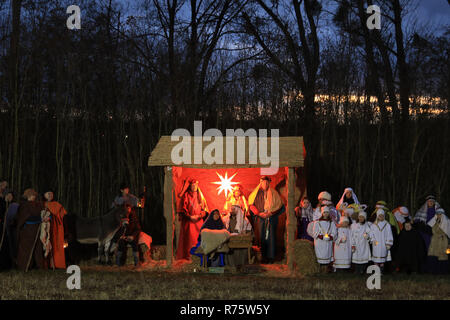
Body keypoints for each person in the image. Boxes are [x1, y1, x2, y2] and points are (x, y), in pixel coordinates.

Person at [248, 176, 285, 263]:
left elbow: (280, 206)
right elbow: (251, 205)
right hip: (260, 220)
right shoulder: (256, 194)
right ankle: (262, 257)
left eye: (267, 182)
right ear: (260, 183)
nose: (265, 184)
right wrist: (259, 213)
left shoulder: (274, 193)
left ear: (269, 183)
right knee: (261, 237)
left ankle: (271, 257)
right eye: (263, 182)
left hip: (271, 219)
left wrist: (271, 213)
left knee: (271, 237)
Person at [15, 189, 50, 271]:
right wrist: (39, 218)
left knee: (38, 248)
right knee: (26, 248)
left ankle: (39, 265)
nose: (33, 196)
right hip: (27, 230)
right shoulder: (24, 205)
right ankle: (25, 266)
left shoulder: (38, 204)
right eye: (32, 195)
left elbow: (43, 213)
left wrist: (45, 217)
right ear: (28, 196)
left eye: (34, 195)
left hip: (37, 229)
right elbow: (24, 217)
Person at [176, 178, 208, 260]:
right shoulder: (186, 195)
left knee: (199, 239)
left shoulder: (200, 195)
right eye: (193, 185)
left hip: (198, 221)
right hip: (189, 222)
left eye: (196, 185)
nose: (194, 187)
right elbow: (183, 208)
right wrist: (190, 217)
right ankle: (189, 257)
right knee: (190, 240)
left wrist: (200, 216)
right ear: (190, 186)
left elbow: (204, 209)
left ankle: (199, 257)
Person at [307, 206, 337, 272]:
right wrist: (320, 236)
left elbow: (334, 232)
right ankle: (319, 268)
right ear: (322, 213)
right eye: (324, 212)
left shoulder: (331, 223)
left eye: (327, 212)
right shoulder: (317, 222)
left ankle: (326, 269)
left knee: (327, 254)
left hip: (328, 242)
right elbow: (314, 232)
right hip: (319, 242)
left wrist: (330, 237)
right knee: (320, 254)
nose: (325, 214)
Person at [43, 190, 67, 269]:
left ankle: (57, 264)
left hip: (56, 228)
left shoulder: (57, 204)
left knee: (56, 245)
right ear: (44, 195)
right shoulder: (42, 204)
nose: (50, 195)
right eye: (48, 193)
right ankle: (46, 264)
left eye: (51, 193)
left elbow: (63, 215)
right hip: (45, 227)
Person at [369, 209, 394, 274]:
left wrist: (389, 243)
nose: (381, 217)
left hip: (384, 244)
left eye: (382, 216)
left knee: (383, 257)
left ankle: (381, 270)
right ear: (377, 216)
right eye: (379, 216)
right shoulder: (374, 225)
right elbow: (371, 233)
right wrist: (373, 240)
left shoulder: (387, 225)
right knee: (376, 258)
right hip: (376, 244)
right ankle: (376, 270)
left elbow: (389, 234)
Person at [426, 208, 450, 274]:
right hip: (434, 240)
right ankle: (433, 271)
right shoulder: (433, 222)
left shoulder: (447, 222)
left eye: (440, 214)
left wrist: (448, 244)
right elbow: (429, 229)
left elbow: (448, 233)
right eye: (438, 214)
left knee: (442, 256)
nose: (439, 215)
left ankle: (443, 271)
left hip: (443, 241)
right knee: (433, 255)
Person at [351, 209, 372, 274]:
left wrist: (367, 236)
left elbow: (370, 234)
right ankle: (357, 270)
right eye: (360, 217)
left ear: (364, 218)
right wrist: (353, 244)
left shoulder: (366, 225)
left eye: (362, 217)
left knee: (363, 257)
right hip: (356, 244)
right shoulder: (354, 225)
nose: (361, 218)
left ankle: (362, 269)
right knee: (356, 257)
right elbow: (352, 235)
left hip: (364, 244)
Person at [5, 192, 20, 267]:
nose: (9, 197)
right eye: (8, 195)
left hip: (13, 228)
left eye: (11, 195)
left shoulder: (15, 205)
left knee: (13, 245)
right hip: (4, 228)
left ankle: (14, 263)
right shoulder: (3, 204)